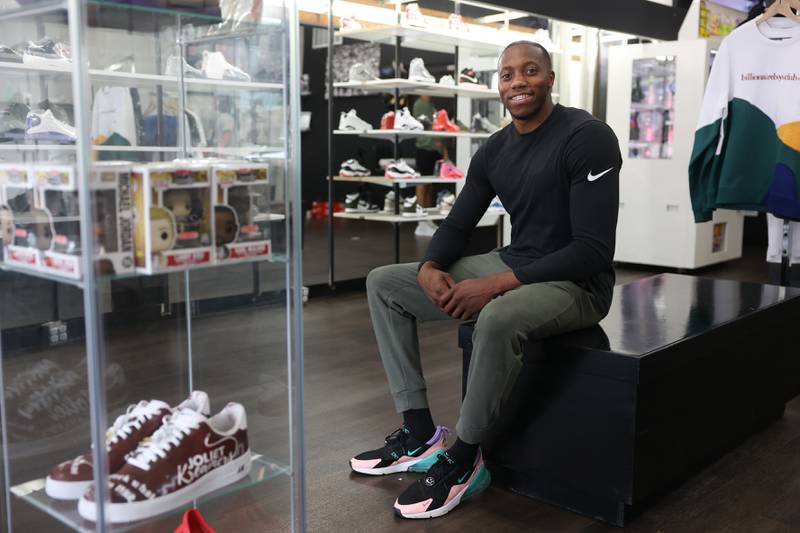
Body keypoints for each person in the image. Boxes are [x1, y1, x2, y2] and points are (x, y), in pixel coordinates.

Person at [350, 40, 622, 519]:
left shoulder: (588, 136)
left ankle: (466, 456)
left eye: (530, 71)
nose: (518, 82)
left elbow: (592, 250)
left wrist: (496, 284)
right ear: (499, 85)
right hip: (516, 261)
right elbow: (458, 224)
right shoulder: (495, 150)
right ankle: (419, 432)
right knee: (385, 283)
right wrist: (432, 266)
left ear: (550, 78)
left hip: (579, 283)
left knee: (495, 317)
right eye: (507, 75)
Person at [412, 95, 447, 236]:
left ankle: (427, 219)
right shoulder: (419, 104)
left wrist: (443, 149)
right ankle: (421, 221)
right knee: (423, 183)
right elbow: (424, 126)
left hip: (434, 150)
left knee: (430, 186)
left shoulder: (431, 105)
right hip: (424, 149)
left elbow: (436, 127)